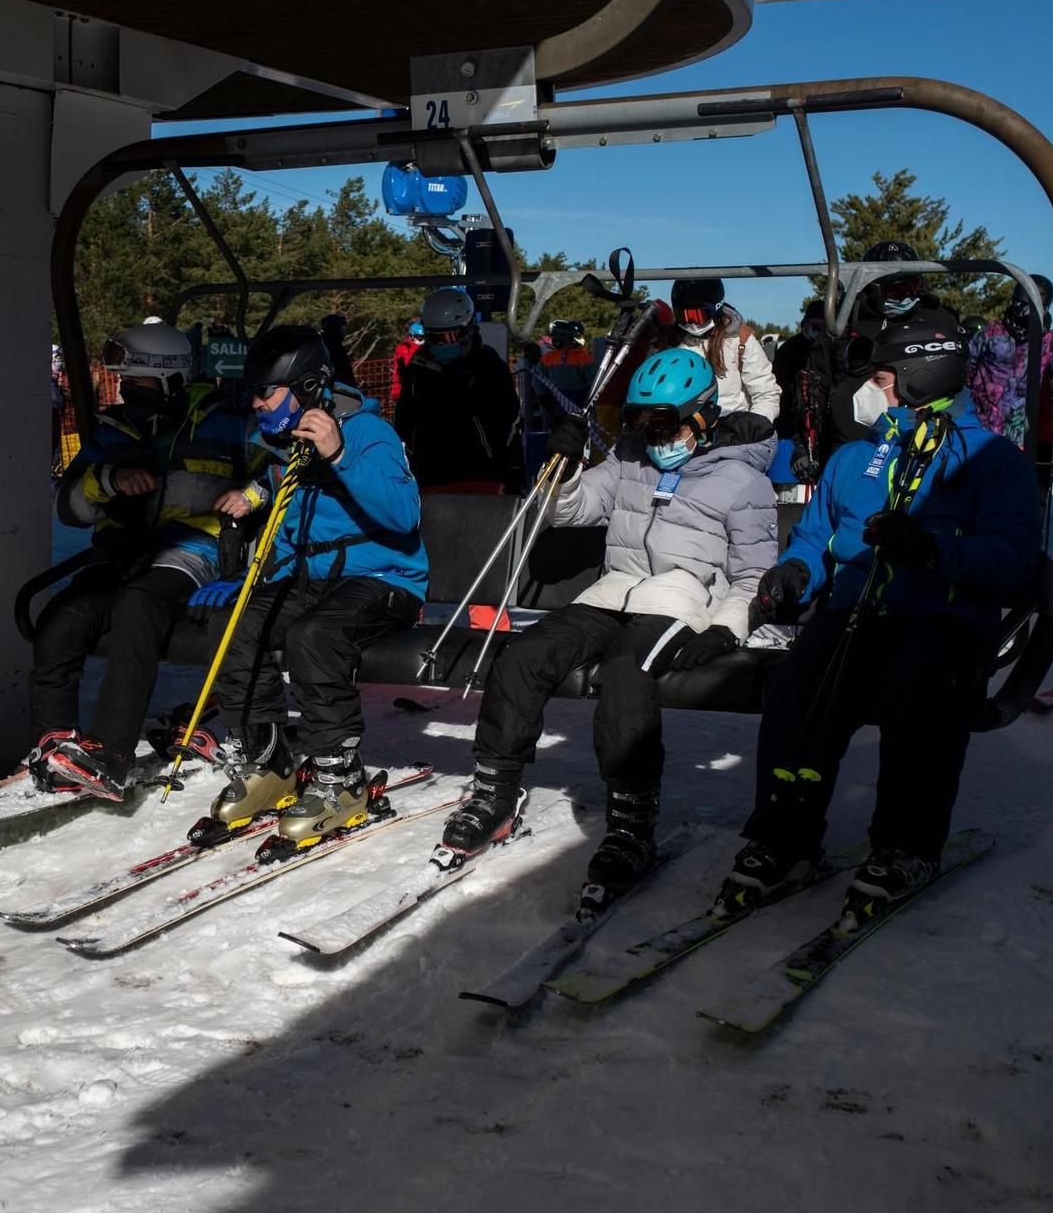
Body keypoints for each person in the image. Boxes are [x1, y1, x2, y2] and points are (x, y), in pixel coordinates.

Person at [722, 310, 1038, 919]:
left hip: (938, 616)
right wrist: (797, 571)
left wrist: (932, 550)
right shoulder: (853, 459)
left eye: (884, 378)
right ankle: (784, 835)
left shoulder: (992, 460)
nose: (870, 390)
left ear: (922, 376)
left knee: (919, 687)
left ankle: (905, 845)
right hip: (855, 611)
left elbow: (1016, 558)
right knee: (798, 684)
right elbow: (815, 537)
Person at [437, 348, 778, 891]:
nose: (650, 435)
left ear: (702, 414)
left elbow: (753, 575)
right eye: (637, 421)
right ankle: (496, 791)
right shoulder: (629, 459)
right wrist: (565, 469)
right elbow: (573, 510)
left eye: (661, 422)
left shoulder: (742, 482)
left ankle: (630, 824)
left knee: (625, 674)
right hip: (610, 593)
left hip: (677, 602)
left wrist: (725, 628)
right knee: (524, 655)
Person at [29, 320, 273, 797]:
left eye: (135, 382)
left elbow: (280, 474)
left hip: (195, 547)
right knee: (63, 618)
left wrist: (249, 496)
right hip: (124, 551)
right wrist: (109, 481)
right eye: (124, 382)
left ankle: (110, 750)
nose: (126, 391)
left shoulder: (227, 420)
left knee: (140, 604)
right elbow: (68, 506)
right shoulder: (111, 430)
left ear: (169, 379)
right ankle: (55, 743)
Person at [205, 324, 427, 845]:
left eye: (265, 392)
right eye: (250, 393)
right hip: (312, 578)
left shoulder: (369, 435)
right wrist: (251, 551)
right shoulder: (283, 445)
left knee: (313, 635)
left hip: (384, 578)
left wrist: (340, 456)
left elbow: (403, 516)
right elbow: (286, 515)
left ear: (305, 387)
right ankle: (269, 761)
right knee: (238, 624)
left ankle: (340, 776)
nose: (256, 403)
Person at [807, 240, 949, 462]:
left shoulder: (936, 321)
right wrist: (806, 444)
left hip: (917, 442)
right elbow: (817, 381)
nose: (906, 297)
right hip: (852, 445)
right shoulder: (844, 322)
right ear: (872, 289)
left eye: (912, 287)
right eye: (896, 290)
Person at [394, 287, 522, 493]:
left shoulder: (488, 367)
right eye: (432, 337)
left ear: (466, 330)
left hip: (482, 475)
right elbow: (404, 420)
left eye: (447, 337)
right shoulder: (419, 369)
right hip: (428, 476)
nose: (439, 345)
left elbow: (509, 423)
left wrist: (513, 470)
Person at [965, 276, 1053, 446]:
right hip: (979, 425)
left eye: (1032, 307)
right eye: (1021, 304)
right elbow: (967, 368)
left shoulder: (1051, 343)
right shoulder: (991, 332)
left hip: (1020, 434)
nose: (1024, 311)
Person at [664, 278, 781, 425]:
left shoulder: (740, 340)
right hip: (685, 431)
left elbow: (766, 392)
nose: (691, 323)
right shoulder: (671, 344)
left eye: (697, 316)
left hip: (732, 430)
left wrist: (754, 426)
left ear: (715, 308)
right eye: (685, 316)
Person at [773, 300, 829, 476]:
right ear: (805, 323)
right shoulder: (789, 349)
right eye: (814, 325)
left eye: (822, 327)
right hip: (790, 421)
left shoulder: (830, 349)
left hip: (822, 422)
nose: (817, 331)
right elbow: (779, 386)